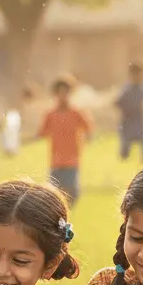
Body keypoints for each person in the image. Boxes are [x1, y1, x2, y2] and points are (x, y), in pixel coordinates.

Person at [37, 75, 92, 205]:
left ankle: (67, 214)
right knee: (53, 192)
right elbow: (41, 132)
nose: (63, 96)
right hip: (56, 160)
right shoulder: (51, 114)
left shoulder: (76, 112)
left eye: (66, 92)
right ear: (56, 94)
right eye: (60, 92)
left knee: (72, 192)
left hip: (72, 159)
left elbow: (88, 127)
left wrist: (87, 138)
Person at [115, 62, 143, 162]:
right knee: (125, 144)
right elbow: (118, 102)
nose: (137, 77)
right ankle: (124, 159)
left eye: (139, 74)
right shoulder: (126, 89)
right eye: (134, 74)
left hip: (139, 120)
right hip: (127, 120)